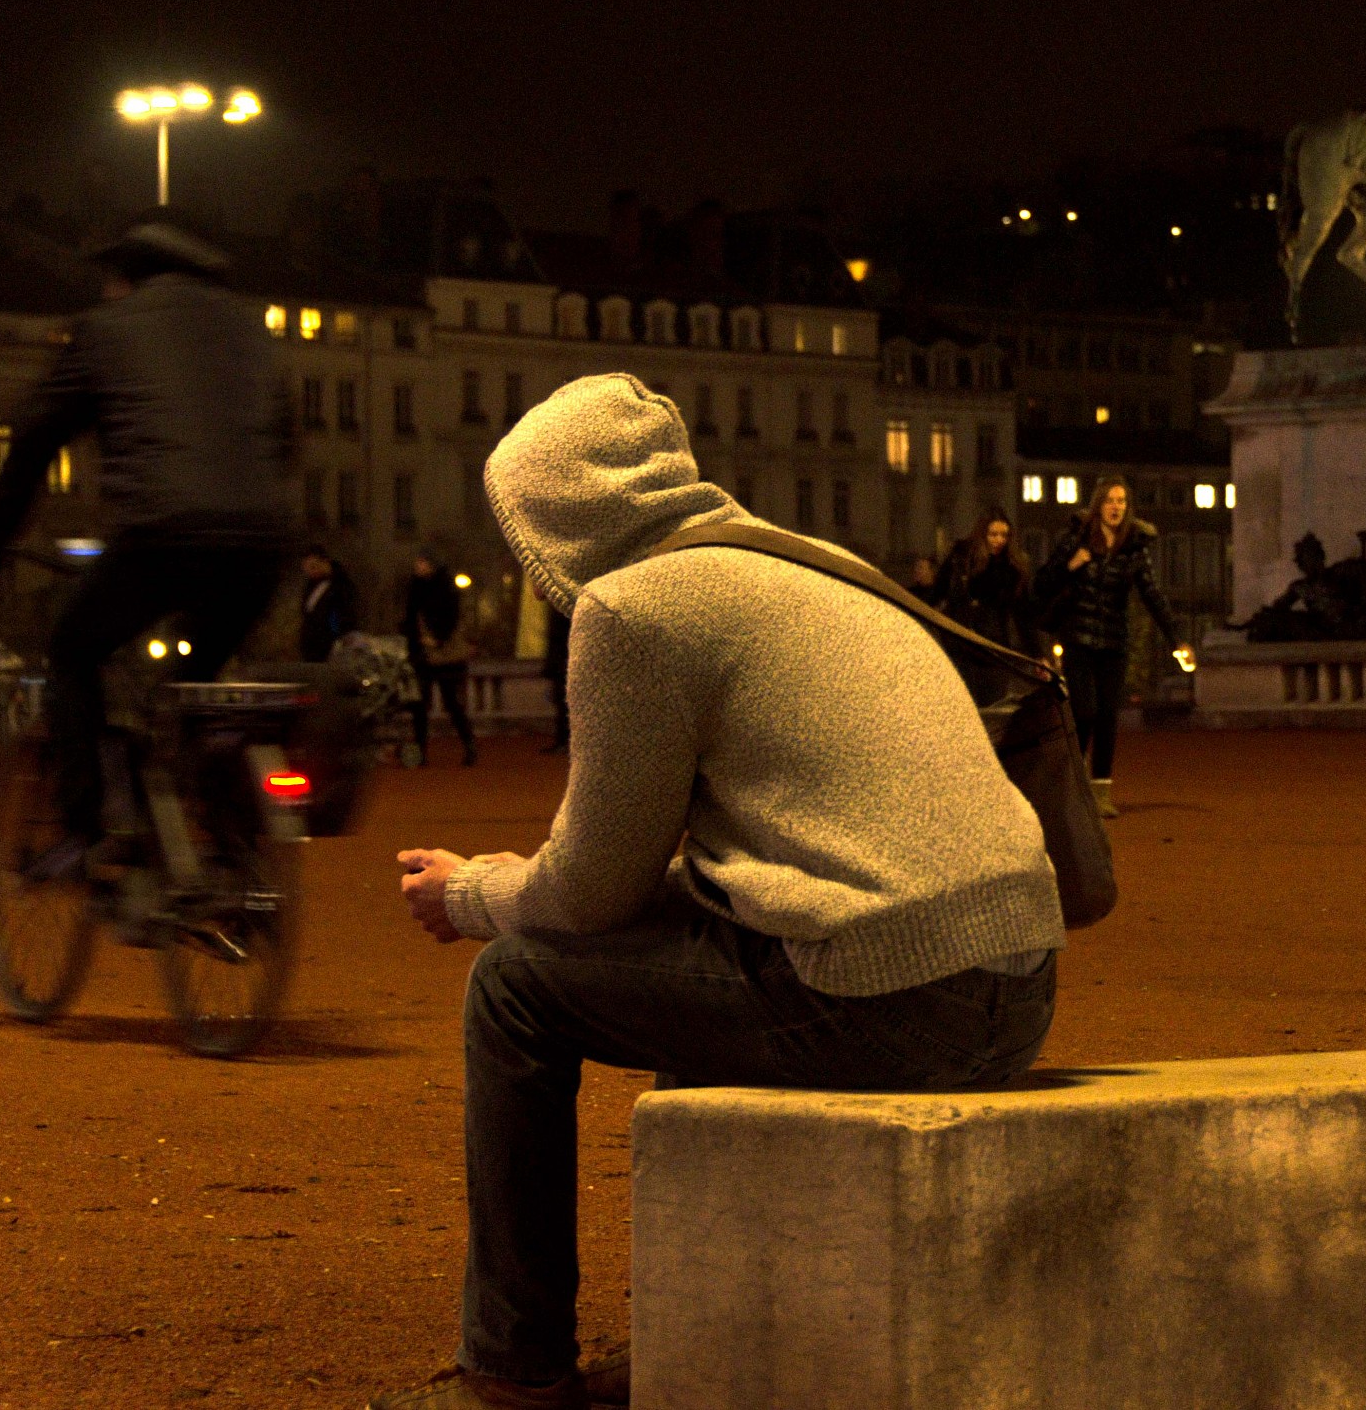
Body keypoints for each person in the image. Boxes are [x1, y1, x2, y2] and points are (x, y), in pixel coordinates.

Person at [371, 374, 1061, 1410]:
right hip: (1018, 981)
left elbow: (592, 888)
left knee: (514, 986)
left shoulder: (634, 608)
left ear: (560, 510)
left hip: (890, 995)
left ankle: (512, 1371)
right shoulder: (815, 569)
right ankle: (708, 1327)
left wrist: (473, 893)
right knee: (701, 949)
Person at [0, 219, 289, 875]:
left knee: (72, 650)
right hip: (262, 541)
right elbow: (283, 442)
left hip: (164, 534)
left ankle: (87, 830)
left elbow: (35, 435)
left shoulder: (108, 328)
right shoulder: (252, 332)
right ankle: (231, 855)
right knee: (194, 687)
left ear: (127, 276)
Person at [1032, 478, 1192, 818]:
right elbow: (1041, 584)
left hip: (1114, 643)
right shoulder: (1073, 541)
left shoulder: (1134, 549)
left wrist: (1177, 640)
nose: (1116, 507)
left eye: (1121, 501)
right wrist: (1069, 566)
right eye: (1109, 500)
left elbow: (1153, 596)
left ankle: (1101, 790)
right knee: (1085, 711)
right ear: (1097, 505)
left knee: (1107, 717)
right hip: (1078, 639)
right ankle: (1073, 779)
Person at [404, 553, 477, 767]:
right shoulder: (415, 587)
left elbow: (451, 617)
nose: (418, 566)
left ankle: (469, 745)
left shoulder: (446, 587)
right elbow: (410, 617)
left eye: (422, 562)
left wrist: (437, 638)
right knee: (419, 705)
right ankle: (420, 752)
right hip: (423, 654)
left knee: (452, 703)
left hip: (446, 655)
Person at [929, 508, 1038, 652]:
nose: (1000, 540)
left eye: (1004, 535)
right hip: (960, 638)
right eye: (993, 534)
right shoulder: (961, 557)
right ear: (982, 534)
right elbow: (939, 591)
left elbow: (1023, 613)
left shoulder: (1011, 567)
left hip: (994, 641)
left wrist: (1037, 653)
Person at [297, 547, 361, 663]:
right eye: (307, 568)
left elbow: (343, 615)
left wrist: (336, 635)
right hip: (312, 644)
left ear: (325, 562)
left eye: (313, 567)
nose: (310, 572)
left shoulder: (341, 586)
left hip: (328, 643)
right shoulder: (312, 585)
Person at [540, 607, 571, 755]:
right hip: (562, 662)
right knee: (562, 704)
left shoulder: (562, 611)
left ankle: (564, 740)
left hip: (562, 663)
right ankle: (563, 740)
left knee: (563, 704)